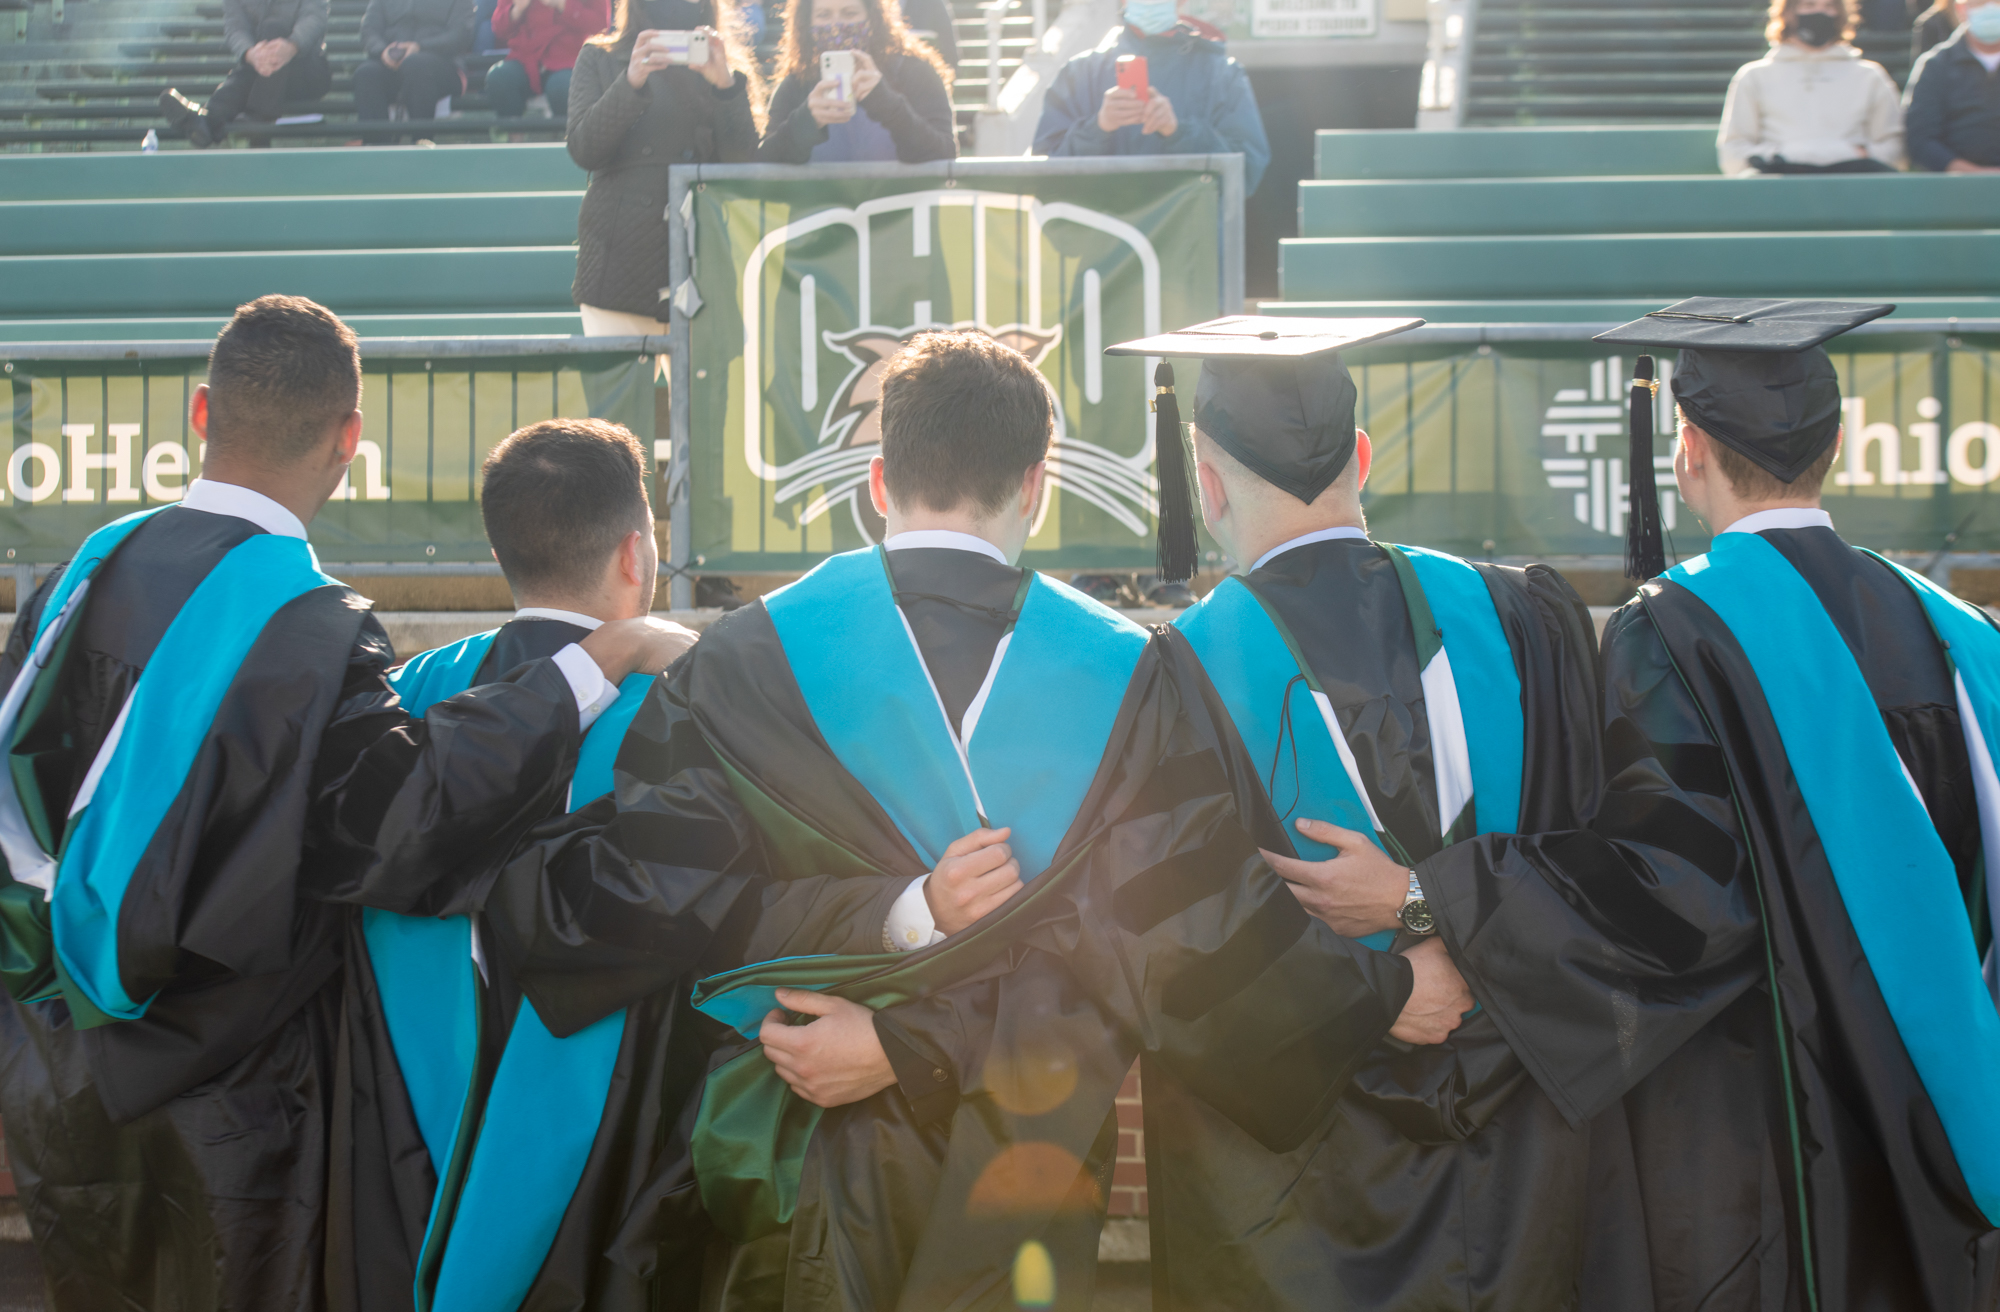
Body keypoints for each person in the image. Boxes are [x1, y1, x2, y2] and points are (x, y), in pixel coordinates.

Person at [485, 330, 1459, 1309]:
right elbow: (1173, 941)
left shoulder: (741, 663)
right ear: (1036, 484)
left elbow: (661, 898)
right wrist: (1371, 992)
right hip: (1021, 1172)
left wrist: (888, 962)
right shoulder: (1127, 675)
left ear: (875, 479)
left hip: (797, 1144)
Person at [0, 296, 685, 1311]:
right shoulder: (311, 630)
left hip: (58, 1073)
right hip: (228, 1111)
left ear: (200, 414)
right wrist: (605, 656)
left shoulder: (73, 581)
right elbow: (402, 823)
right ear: (349, 440)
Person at [1100, 315, 1699, 1308]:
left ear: (1202, 478)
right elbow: (1614, 875)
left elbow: (1170, 946)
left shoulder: (1175, 674)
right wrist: (1459, 920)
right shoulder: (1523, 619)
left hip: (1295, 1227)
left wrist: (1377, 991)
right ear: (1363, 458)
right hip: (1517, 1187)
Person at [1536, 297, 2000, 1307]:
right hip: (1941, 1104)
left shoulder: (1672, 627)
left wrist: (1456, 901)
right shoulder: (1959, 634)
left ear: (1684, 450)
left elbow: (1673, 897)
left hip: (1756, 1131)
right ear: (1834, 444)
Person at [329, 418, 698, 1311]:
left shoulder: (415, 698)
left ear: (502, 553)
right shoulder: (686, 708)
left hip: (401, 1156)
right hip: (613, 1184)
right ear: (636, 552)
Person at [568, 0, 762, 337]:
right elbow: (584, 149)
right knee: (621, 391)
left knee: (706, 391)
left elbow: (744, 166)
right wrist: (631, 82)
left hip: (704, 264)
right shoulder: (600, 57)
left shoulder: (726, 67)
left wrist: (725, 88)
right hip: (619, 264)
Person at [1032, 0, 1270, 195]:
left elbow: (1246, 173)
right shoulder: (1079, 74)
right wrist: (1098, 128)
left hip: (1189, 247)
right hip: (1102, 246)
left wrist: (1178, 132)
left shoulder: (1221, 75)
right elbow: (1044, 176)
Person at [757, 0, 956, 164]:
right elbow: (765, 163)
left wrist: (888, 105)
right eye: (824, 15)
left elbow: (943, 155)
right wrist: (806, 121)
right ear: (807, 23)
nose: (836, 26)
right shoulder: (796, 83)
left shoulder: (915, 72)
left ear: (872, 18)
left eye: (849, 13)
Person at [1717, 0, 1904, 174]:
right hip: (1778, 191)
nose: (1819, 13)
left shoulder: (1870, 75)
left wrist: (1855, 154)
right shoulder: (1754, 76)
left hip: (1853, 190)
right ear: (1789, 12)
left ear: (1840, 13)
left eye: (1829, 6)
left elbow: (1895, 149)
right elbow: (1734, 151)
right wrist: (1781, 155)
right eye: (1809, 4)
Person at [157, 0, 333, 148]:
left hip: (306, 73)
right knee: (250, 68)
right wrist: (250, 54)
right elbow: (235, 28)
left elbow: (314, 18)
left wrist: (292, 46)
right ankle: (211, 121)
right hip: (257, 74)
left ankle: (213, 117)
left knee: (273, 28)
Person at [356, 0, 476, 142]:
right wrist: (383, 50)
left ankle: (421, 142)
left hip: (442, 65)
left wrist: (419, 47)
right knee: (366, 74)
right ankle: (376, 148)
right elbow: (369, 30)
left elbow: (460, 35)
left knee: (416, 65)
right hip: (392, 63)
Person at [1904, 0, 2000, 172]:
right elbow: (1920, 138)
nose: (1990, 8)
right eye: (1980, 2)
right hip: (1953, 190)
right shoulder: (1935, 65)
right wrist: (1971, 173)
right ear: (1961, 9)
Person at [487, 0, 611, 121]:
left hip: (570, 59)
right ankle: (514, 138)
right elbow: (498, 28)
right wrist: (516, 10)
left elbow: (601, 25)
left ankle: (571, 138)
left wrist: (563, 4)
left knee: (562, 87)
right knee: (499, 77)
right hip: (526, 58)